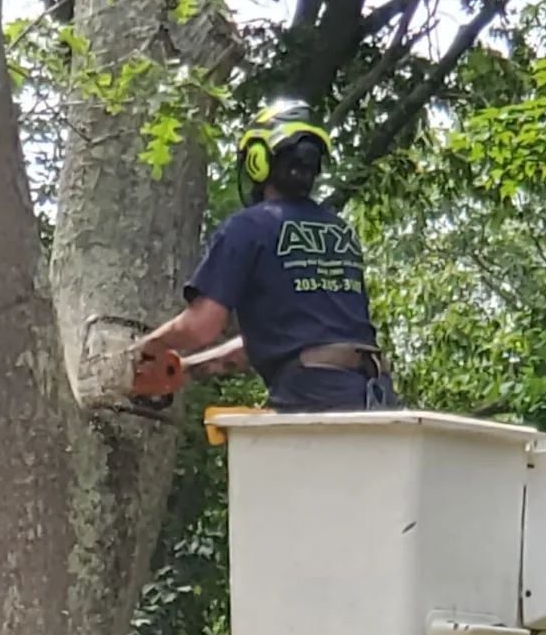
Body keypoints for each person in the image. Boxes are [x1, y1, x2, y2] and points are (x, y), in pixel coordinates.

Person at [137, 99, 399, 412]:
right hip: (371, 395)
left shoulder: (248, 227)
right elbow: (285, 344)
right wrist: (186, 368)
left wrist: (147, 348)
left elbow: (201, 326)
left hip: (312, 397)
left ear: (257, 161)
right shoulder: (339, 232)